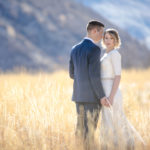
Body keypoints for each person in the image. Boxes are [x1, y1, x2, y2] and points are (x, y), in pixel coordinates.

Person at [100, 28, 145, 150]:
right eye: (106, 38)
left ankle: (129, 145)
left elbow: (118, 76)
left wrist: (111, 97)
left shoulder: (115, 54)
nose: (108, 40)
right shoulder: (105, 54)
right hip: (104, 90)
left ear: (115, 41)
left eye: (111, 38)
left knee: (117, 120)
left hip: (111, 91)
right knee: (107, 120)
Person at [69, 20, 108, 150]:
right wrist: (102, 96)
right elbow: (94, 76)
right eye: (101, 32)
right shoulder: (95, 49)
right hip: (92, 98)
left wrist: (81, 80)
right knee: (90, 131)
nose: (102, 36)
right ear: (94, 31)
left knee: (80, 129)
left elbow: (71, 74)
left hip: (78, 96)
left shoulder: (74, 48)